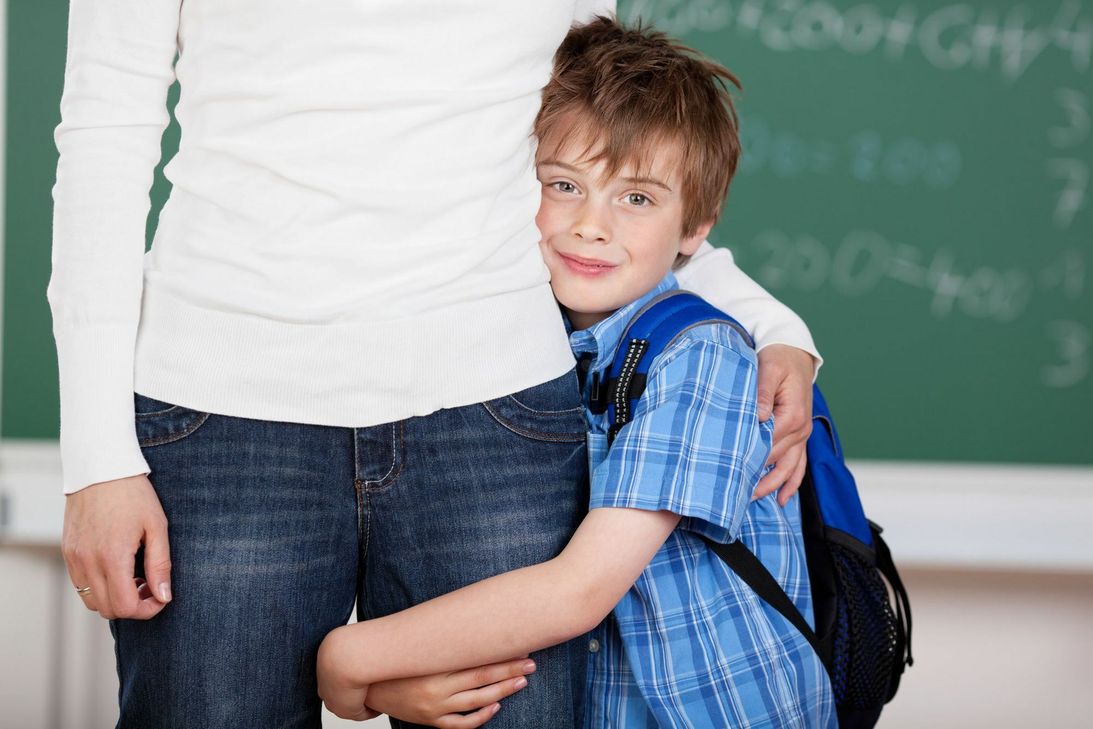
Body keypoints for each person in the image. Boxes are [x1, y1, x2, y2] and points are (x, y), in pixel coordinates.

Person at [49, 2, 820, 727]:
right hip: (219, 408)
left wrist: (772, 324)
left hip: (499, 409)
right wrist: (95, 458)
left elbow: (605, 141)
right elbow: (103, 133)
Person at [316, 16, 836, 728]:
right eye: (562, 184)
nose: (592, 225)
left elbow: (578, 591)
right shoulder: (527, 337)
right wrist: (384, 690)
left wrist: (349, 661)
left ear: (696, 228)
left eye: (636, 198)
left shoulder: (699, 358)